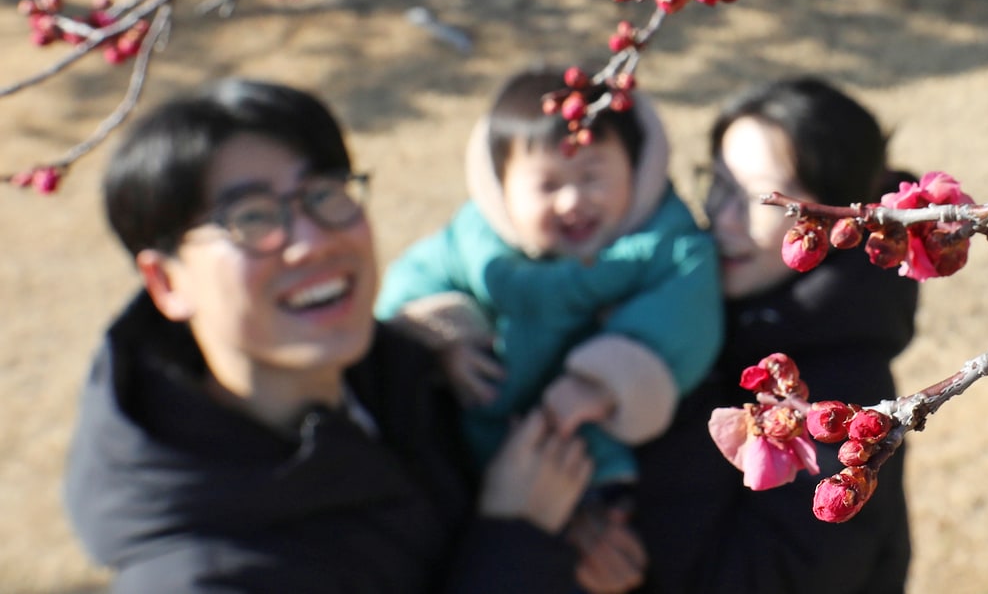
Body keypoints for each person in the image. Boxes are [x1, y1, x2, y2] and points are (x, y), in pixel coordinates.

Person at [66, 78, 593, 593]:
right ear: (166, 283)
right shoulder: (195, 577)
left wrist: (577, 541)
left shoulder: (420, 382)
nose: (313, 241)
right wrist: (518, 546)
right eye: (251, 218)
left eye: (324, 193)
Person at [630, 76, 920, 594]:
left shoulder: (840, 402)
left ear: (835, 220)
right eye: (717, 184)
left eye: (762, 202)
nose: (722, 219)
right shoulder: (714, 315)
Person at [375, 68, 722, 494]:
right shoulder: (477, 242)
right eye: (547, 184)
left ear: (636, 169)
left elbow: (686, 314)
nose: (573, 200)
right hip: (466, 445)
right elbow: (412, 286)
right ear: (501, 189)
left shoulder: (667, 245)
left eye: (592, 176)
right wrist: (445, 341)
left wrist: (603, 384)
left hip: (592, 453)